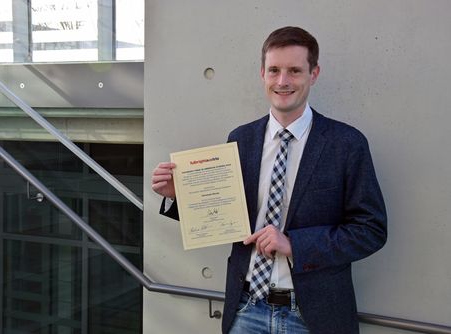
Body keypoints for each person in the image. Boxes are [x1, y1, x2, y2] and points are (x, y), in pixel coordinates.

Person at [151, 26, 387, 334]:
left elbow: (370, 230)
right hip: (246, 309)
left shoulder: (346, 144)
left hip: (313, 315)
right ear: (263, 73)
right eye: (274, 70)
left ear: (313, 74)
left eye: (294, 71)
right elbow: (227, 215)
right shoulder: (241, 139)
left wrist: (294, 245)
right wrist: (180, 194)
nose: (282, 81)